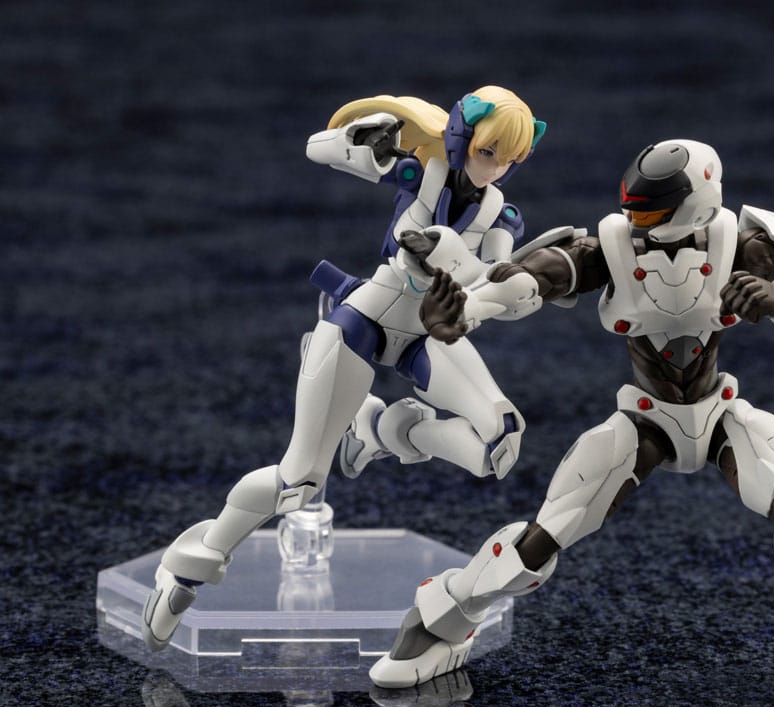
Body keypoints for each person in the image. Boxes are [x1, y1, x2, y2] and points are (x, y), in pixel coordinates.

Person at [369, 139, 774, 707]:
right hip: (646, 418)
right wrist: (468, 310)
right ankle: (442, 619)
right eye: (635, 211)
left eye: (653, 211)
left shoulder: (748, 246)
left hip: (720, 412)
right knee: (550, 531)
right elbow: (531, 279)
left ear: (697, 200)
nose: (639, 222)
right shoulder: (612, 247)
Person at [142, 87, 546, 652]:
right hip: (365, 321)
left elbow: (491, 274)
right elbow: (320, 148)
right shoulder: (418, 173)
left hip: (428, 332)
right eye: (489, 152)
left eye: (510, 158)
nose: (497, 167)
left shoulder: (500, 213)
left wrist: (505, 286)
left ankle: (382, 430)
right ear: (461, 138)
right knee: (299, 481)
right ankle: (188, 565)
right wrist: (369, 140)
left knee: (498, 441)